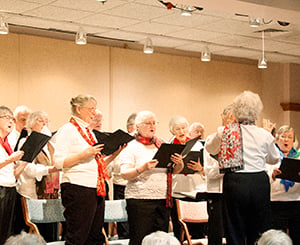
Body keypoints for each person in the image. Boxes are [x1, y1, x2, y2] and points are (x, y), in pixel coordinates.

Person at [205, 91, 281, 245]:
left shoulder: (225, 131)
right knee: (259, 228)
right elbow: (275, 158)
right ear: (257, 112)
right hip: (259, 182)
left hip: (235, 182)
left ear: (236, 111)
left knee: (234, 228)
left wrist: (224, 132)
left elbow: (210, 148)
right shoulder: (264, 134)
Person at [119, 110, 184, 245]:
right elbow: (124, 173)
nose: (152, 126)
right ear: (138, 126)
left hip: (162, 199)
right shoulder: (131, 146)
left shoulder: (161, 144)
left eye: (154, 123)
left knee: (161, 240)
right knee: (140, 239)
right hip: (140, 200)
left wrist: (179, 164)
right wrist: (143, 168)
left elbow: (172, 171)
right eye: (148, 123)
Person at [53, 94, 109, 245]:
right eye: (91, 109)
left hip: (95, 186)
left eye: (95, 109)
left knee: (95, 235)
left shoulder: (89, 131)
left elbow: (95, 160)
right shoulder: (67, 129)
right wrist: (84, 154)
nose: (94, 113)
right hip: (77, 186)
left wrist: (115, 153)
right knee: (78, 235)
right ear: (78, 109)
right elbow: (58, 162)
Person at [14, 111, 60, 241]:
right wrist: (49, 170)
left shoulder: (51, 144)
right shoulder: (25, 140)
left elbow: (58, 166)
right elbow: (28, 168)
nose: (44, 123)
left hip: (52, 194)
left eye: (46, 121)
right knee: (36, 232)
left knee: (51, 233)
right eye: (40, 120)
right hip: (32, 192)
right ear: (31, 123)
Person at [168, 115, 206, 240]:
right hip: (177, 192)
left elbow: (208, 170)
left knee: (198, 232)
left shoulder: (198, 146)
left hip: (196, 191)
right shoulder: (169, 146)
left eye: (184, 128)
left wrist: (200, 168)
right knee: (179, 233)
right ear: (172, 131)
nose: (182, 132)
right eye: (178, 129)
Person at [204, 105, 234, 245]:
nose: (231, 120)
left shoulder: (240, 141)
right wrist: (226, 166)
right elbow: (209, 172)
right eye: (229, 116)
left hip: (235, 192)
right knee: (216, 233)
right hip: (217, 193)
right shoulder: (212, 141)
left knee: (235, 232)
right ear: (222, 117)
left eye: (235, 117)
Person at [267, 125, 300, 244]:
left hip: (296, 201)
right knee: (277, 238)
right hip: (276, 202)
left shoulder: (299, 156)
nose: (286, 140)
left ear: (293, 140)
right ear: (277, 139)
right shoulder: (271, 156)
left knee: (297, 236)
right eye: (283, 137)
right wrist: (273, 175)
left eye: (290, 137)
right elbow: (264, 177)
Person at [109, 113, 137, 239]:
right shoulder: (123, 142)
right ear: (130, 127)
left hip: (139, 187)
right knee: (124, 225)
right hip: (121, 185)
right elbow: (113, 167)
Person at [0, 106, 25, 244]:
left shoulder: (6, 144)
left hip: (10, 189)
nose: (11, 121)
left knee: (7, 231)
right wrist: (9, 159)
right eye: (6, 117)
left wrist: (25, 162)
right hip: (1, 189)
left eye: (12, 119)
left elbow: (12, 174)